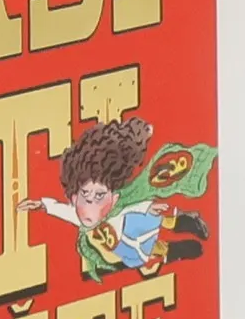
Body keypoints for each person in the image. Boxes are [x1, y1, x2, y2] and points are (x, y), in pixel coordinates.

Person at [18, 115, 212, 283]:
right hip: (122, 245)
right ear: (75, 196)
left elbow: (130, 206)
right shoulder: (79, 215)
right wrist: (42, 204)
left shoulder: (119, 206)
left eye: (99, 196)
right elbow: (62, 210)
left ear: (113, 198)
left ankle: (182, 222)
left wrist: (148, 208)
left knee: (151, 223)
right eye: (85, 195)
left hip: (132, 224)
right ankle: (172, 250)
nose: (90, 203)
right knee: (143, 252)